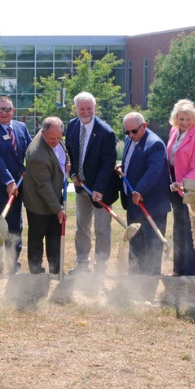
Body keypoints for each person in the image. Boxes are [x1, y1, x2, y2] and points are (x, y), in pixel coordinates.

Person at [65, 92, 120, 275]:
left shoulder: (106, 132)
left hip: (100, 190)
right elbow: (70, 154)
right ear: (76, 109)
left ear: (95, 108)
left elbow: (108, 164)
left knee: (102, 228)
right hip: (81, 187)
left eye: (90, 108)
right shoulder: (72, 126)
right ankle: (82, 263)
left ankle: (101, 266)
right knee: (82, 226)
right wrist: (73, 174)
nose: (86, 112)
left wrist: (99, 188)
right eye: (82, 108)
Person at [0, 96, 32, 274]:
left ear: (13, 110)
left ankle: (13, 263)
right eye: (0, 110)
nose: (4, 113)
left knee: (15, 226)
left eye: (7, 109)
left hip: (16, 190)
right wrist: (9, 181)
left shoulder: (21, 128)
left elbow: (30, 151)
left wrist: (27, 169)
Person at [118, 112, 171, 275]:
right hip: (133, 204)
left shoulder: (154, 144)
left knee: (152, 245)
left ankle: (150, 283)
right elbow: (132, 161)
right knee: (136, 242)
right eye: (127, 132)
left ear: (144, 126)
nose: (130, 135)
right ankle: (134, 281)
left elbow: (154, 170)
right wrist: (122, 167)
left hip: (151, 204)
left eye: (134, 131)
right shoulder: (130, 140)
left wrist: (139, 190)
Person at [166, 100, 195, 276]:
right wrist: (174, 182)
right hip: (176, 187)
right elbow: (170, 160)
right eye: (182, 118)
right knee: (179, 227)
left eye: (188, 119)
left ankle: (194, 271)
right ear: (176, 118)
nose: (185, 122)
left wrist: (182, 183)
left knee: (194, 230)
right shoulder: (173, 131)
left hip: (194, 188)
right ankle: (178, 268)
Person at [23, 117, 68, 275]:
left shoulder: (54, 137)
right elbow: (44, 186)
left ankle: (56, 271)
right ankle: (36, 272)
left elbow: (62, 153)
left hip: (54, 195)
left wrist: (66, 164)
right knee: (37, 237)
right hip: (38, 203)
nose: (56, 141)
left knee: (54, 237)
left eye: (59, 138)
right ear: (43, 133)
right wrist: (58, 209)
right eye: (52, 138)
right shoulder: (37, 155)